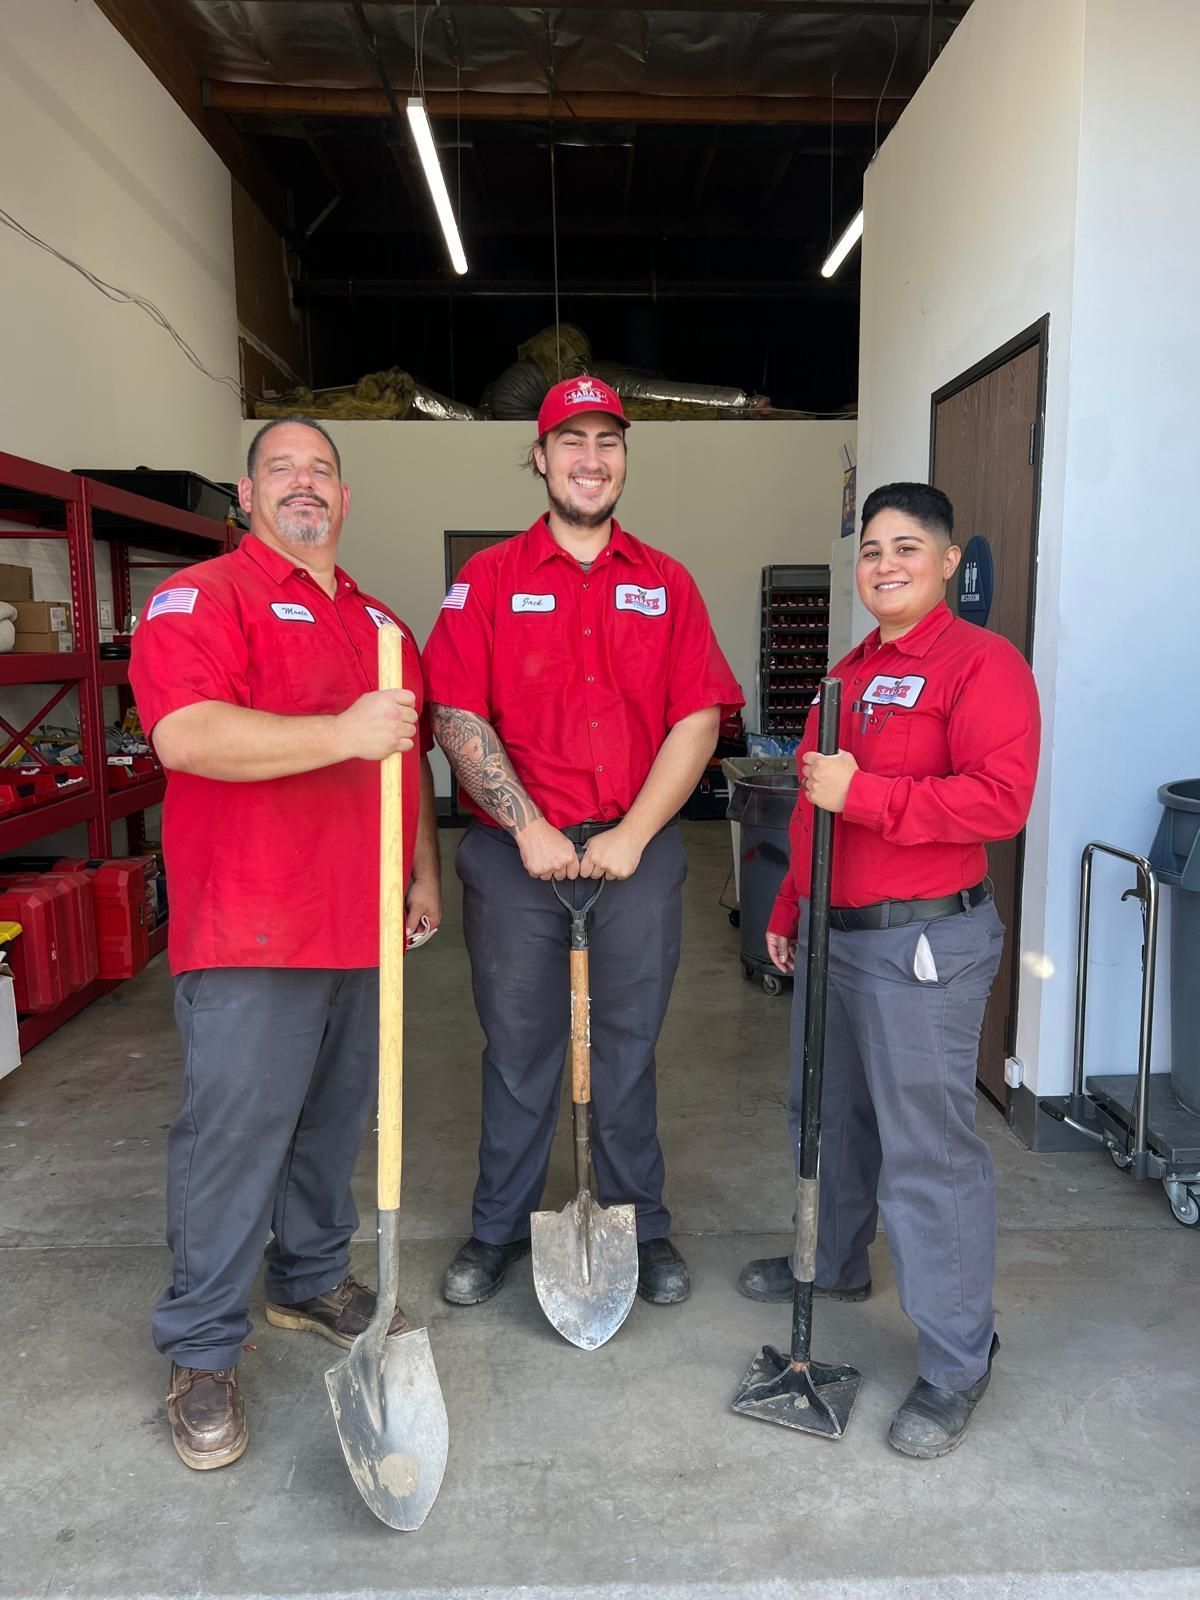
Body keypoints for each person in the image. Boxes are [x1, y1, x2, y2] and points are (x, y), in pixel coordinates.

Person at [129, 417, 441, 1471]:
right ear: (246, 493)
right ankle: (204, 1350)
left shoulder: (384, 623)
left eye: (322, 470)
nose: (304, 485)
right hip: (251, 924)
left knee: (333, 1124)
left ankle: (310, 1278)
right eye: (282, 470)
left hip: (362, 925)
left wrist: (422, 873)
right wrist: (341, 732)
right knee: (233, 1138)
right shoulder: (202, 599)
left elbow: (407, 767)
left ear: (344, 498)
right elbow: (187, 736)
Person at [422, 375, 742, 1309]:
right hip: (517, 863)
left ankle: (640, 1220)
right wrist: (526, 828)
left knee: (627, 1048)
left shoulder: (666, 581)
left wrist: (638, 834)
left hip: (634, 863)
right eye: (572, 442)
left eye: (607, 441)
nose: (590, 459)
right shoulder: (488, 580)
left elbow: (697, 718)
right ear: (540, 457)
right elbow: (455, 712)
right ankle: (497, 1229)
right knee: (521, 1050)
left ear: (624, 459)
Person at [737, 482, 1040, 1458]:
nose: (885, 565)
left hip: (921, 944)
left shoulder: (981, 667)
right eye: (871, 550)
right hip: (835, 931)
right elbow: (807, 809)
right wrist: (786, 907)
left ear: (949, 562)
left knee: (926, 1157)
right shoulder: (848, 674)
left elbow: (997, 803)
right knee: (824, 1116)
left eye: (908, 548)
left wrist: (866, 792)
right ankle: (831, 1263)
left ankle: (958, 1361)